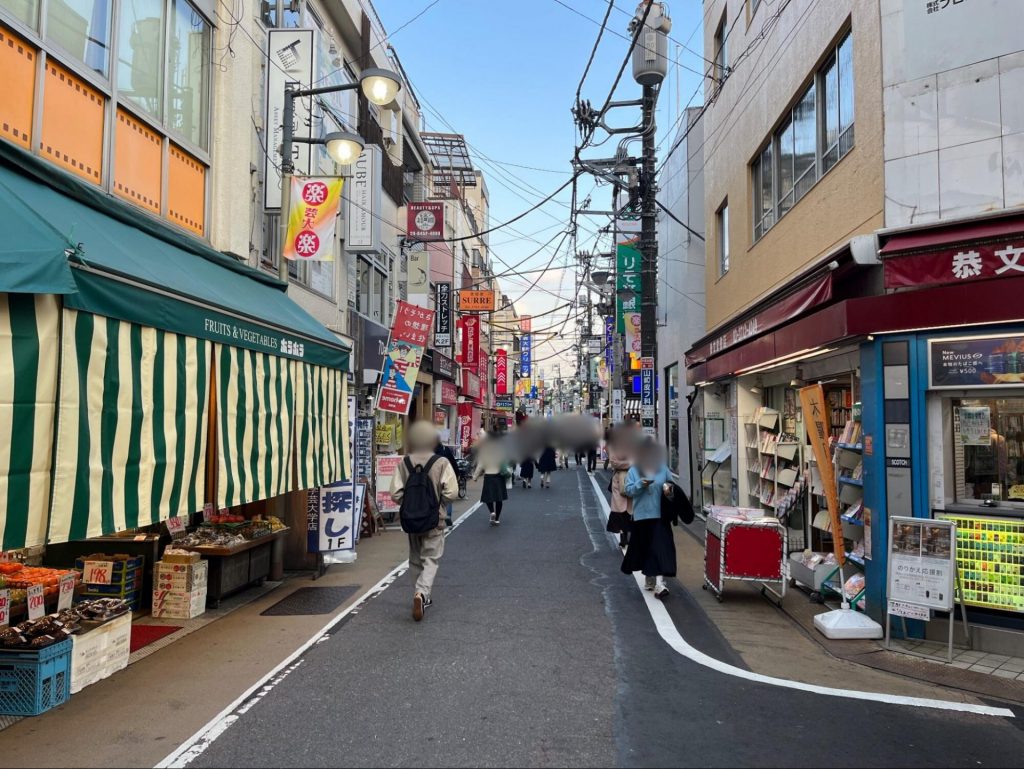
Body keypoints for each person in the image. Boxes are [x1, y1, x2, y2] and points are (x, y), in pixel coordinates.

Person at [390, 421, 458, 622]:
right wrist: (438, 505)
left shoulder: (405, 462)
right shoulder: (441, 462)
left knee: (415, 558)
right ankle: (421, 593)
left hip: (411, 520)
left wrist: (410, 504)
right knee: (431, 558)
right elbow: (452, 492)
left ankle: (419, 594)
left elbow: (395, 493)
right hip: (434, 519)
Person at [620, 438, 676, 599]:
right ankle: (650, 577)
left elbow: (672, 489)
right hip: (642, 515)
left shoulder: (662, 469)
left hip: (660, 515)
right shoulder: (634, 471)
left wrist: (668, 490)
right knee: (646, 548)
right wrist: (640, 484)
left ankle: (660, 583)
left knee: (660, 548)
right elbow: (628, 491)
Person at [606, 427, 634, 549]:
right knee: (621, 509)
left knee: (628, 508)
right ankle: (624, 535)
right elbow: (614, 462)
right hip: (620, 478)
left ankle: (627, 535)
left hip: (629, 477)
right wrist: (630, 463)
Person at [473, 437, 509, 525]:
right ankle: (497, 519)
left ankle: (492, 512)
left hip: (489, 477)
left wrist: (475, 476)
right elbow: (505, 465)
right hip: (499, 477)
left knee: (488, 497)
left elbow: (480, 466)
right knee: (499, 499)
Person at [434, 440, 459, 526]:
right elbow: (453, 462)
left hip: (434, 478)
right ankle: (447, 515)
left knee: (435, 496)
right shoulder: (445, 449)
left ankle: (436, 515)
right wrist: (457, 474)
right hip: (446, 476)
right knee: (448, 494)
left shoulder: (429, 452)